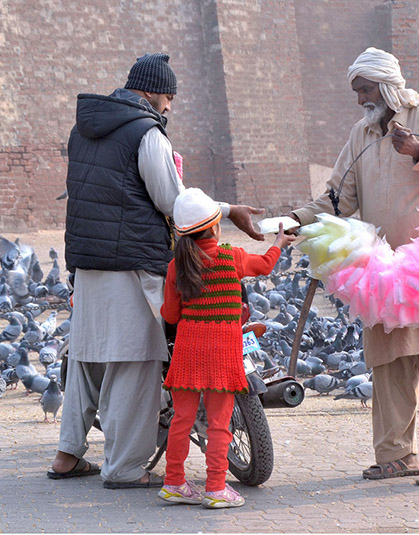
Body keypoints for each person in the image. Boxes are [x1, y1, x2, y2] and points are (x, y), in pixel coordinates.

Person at [48, 53, 265, 488]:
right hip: (130, 263)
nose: (169, 107)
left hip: (87, 263)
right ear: (152, 92)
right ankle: (124, 469)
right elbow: (174, 203)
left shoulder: (85, 129)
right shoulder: (145, 133)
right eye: (168, 97)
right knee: (136, 363)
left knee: (88, 359)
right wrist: (228, 210)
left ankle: (67, 456)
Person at [287, 47, 419, 487]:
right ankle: (397, 455)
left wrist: (418, 152)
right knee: (388, 361)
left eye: (365, 90)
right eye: (356, 91)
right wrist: (294, 220)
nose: (359, 100)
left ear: (386, 84)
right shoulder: (361, 133)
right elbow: (339, 198)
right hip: (382, 272)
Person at [156, 188, 295, 508]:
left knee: (182, 419)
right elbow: (263, 266)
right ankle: (216, 487)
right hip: (222, 351)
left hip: (189, 350)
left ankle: (174, 482)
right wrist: (278, 243)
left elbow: (171, 315)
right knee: (220, 422)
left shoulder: (176, 267)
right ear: (216, 227)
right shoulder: (231, 257)